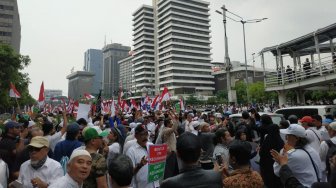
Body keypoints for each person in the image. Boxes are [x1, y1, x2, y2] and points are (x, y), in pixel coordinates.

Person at [126, 124, 159, 188]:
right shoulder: (131, 151)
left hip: (155, 184)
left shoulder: (151, 145)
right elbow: (129, 173)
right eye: (142, 134)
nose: (145, 137)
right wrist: (140, 165)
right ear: (136, 136)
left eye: (146, 134)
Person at [259, 124, 284, 188]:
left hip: (266, 166)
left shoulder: (267, 140)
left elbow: (261, 153)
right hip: (277, 165)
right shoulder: (280, 141)